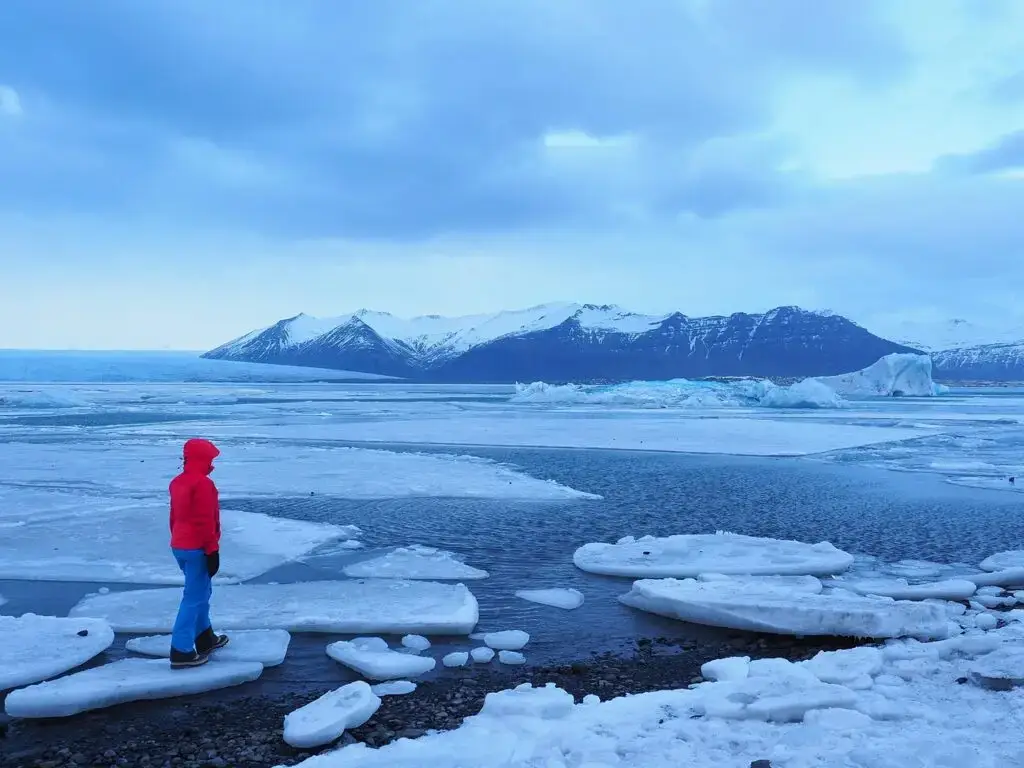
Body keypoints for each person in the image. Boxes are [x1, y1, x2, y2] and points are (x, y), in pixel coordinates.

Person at [168, 438, 230, 668]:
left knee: (201, 592)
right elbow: (205, 521)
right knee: (193, 598)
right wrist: (212, 550)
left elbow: (174, 517)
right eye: (211, 458)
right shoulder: (203, 484)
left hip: (180, 545)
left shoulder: (178, 482)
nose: (213, 462)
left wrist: (178, 541)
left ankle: (205, 637)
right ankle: (181, 650)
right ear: (203, 459)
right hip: (197, 547)